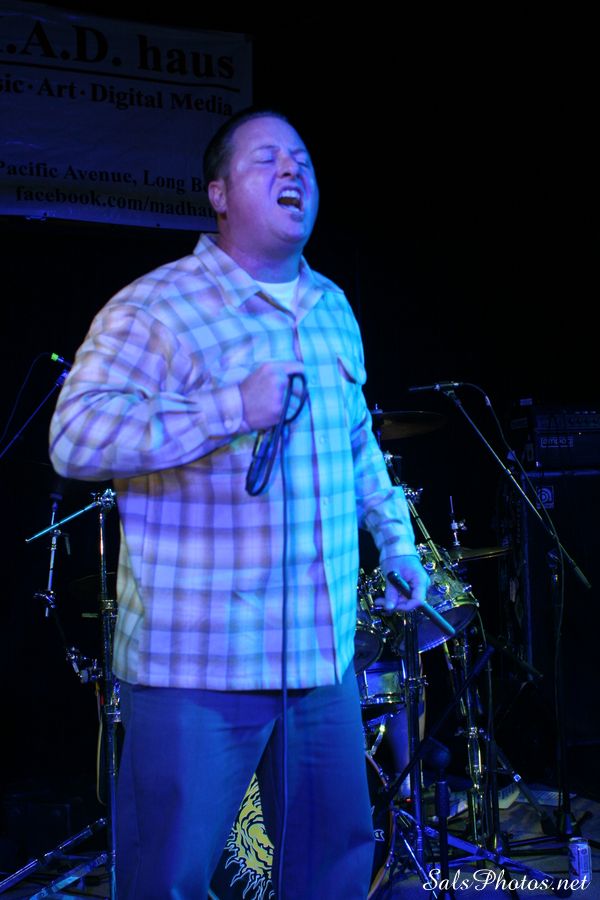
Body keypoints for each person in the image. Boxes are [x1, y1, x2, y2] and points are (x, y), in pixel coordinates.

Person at [49, 107, 429, 899]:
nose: (293, 170)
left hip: (320, 660)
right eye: (267, 159)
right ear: (218, 194)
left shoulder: (333, 307)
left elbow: (357, 442)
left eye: (303, 159)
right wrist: (228, 408)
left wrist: (396, 540)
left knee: (331, 871)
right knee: (169, 881)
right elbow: (74, 438)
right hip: (198, 667)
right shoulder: (157, 307)